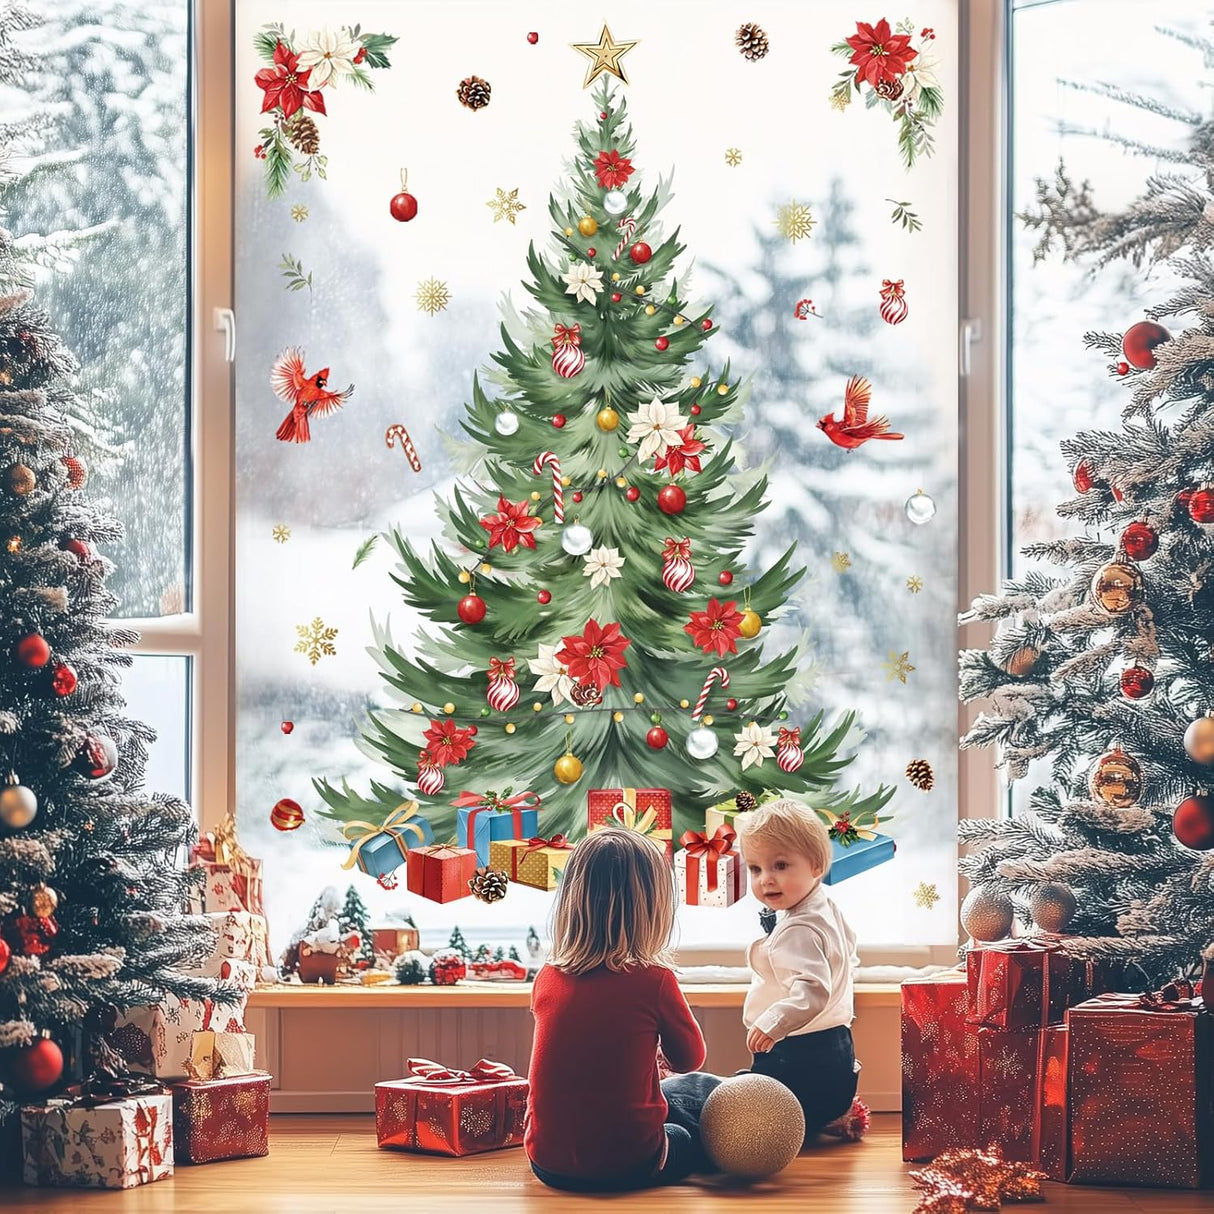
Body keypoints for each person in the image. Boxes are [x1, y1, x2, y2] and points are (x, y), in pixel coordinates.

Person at [526, 828, 720, 1191]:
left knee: (669, 1098)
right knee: (693, 1105)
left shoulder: (547, 977)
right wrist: (659, 1054)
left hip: (546, 1164)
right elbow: (690, 1058)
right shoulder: (655, 980)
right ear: (653, 908)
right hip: (628, 1165)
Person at [735, 798, 862, 1140]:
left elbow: (812, 992)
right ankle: (831, 1115)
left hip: (798, 1054)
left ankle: (790, 1129)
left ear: (816, 866)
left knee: (744, 1110)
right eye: (755, 869)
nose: (766, 880)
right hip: (838, 1046)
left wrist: (774, 1023)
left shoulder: (798, 929)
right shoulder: (824, 905)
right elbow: (849, 949)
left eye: (780, 865)